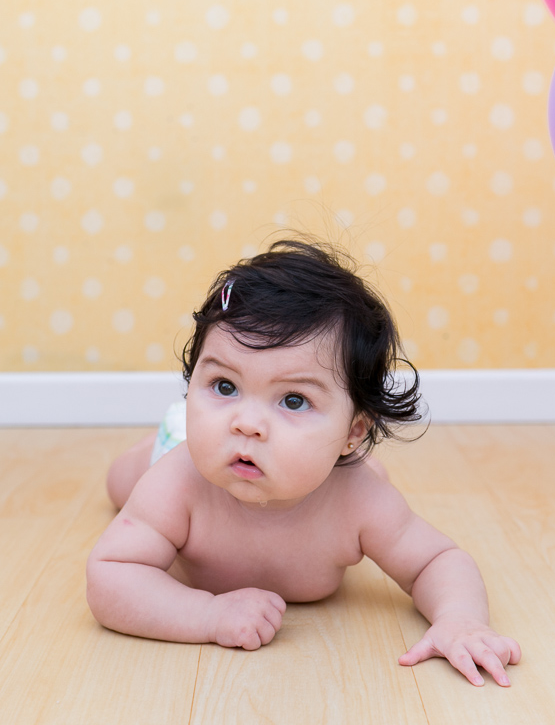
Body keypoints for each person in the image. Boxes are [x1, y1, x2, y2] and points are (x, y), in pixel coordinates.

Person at [87, 240, 521, 687]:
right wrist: (207, 614)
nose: (247, 423)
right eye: (223, 385)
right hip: (181, 448)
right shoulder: (177, 483)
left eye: (293, 400)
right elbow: (111, 576)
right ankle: (163, 438)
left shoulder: (357, 501)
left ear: (354, 432)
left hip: (335, 467)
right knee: (123, 482)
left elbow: (437, 560)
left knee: (373, 484)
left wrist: (461, 619)